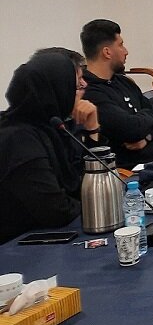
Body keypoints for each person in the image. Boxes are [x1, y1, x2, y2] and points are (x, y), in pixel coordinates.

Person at [0, 53, 101, 243]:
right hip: (16, 247)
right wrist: (96, 204)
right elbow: (57, 211)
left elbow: (87, 183)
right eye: (76, 85)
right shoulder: (18, 139)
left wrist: (92, 129)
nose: (84, 88)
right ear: (56, 90)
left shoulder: (53, 127)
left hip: (48, 236)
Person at [80, 19, 153, 168]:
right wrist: (148, 116)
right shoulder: (90, 93)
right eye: (120, 45)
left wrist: (147, 137)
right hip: (133, 170)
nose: (126, 51)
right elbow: (131, 130)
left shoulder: (124, 82)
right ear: (107, 52)